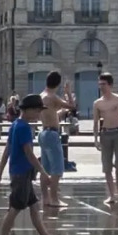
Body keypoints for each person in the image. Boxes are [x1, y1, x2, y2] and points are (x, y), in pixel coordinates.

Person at [0, 93, 66, 235]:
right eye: (38, 111)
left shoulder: (15, 125)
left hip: (18, 172)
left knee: (34, 207)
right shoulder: (24, 127)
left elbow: (7, 151)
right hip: (22, 174)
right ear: (29, 110)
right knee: (15, 208)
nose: (39, 114)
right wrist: (43, 172)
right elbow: (29, 153)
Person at [37, 71, 76, 210]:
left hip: (43, 133)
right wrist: (68, 92)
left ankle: (45, 198)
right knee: (57, 168)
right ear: (58, 84)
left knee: (45, 168)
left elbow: (51, 113)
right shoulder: (53, 97)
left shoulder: (42, 96)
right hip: (52, 134)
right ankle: (54, 199)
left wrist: (60, 113)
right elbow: (72, 106)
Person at [92, 72, 118, 207]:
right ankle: (111, 194)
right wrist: (96, 139)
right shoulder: (98, 103)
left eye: (104, 84)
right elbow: (96, 122)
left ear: (110, 85)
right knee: (107, 166)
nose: (101, 87)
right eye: (100, 84)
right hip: (105, 134)